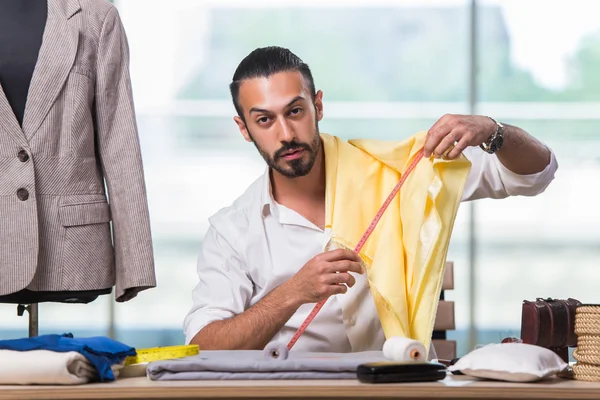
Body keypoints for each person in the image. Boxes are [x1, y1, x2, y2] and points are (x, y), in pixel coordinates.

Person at [183, 46, 558, 353]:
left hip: (401, 389)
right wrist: (292, 292)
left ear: (319, 106)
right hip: (292, 392)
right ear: (244, 129)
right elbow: (203, 344)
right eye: (264, 120)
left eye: (295, 111)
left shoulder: (400, 173)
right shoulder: (232, 229)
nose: (286, 134)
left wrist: (493, 131)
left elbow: (535, 175)